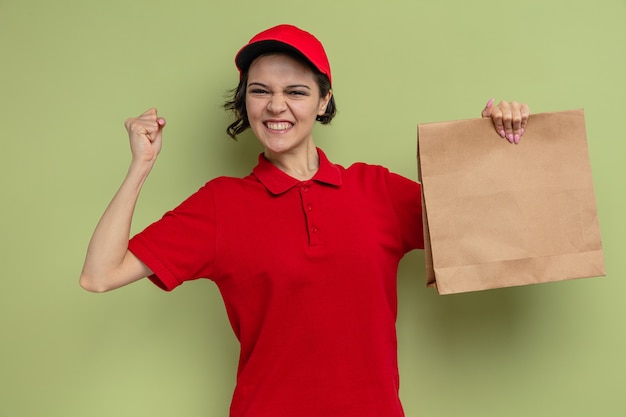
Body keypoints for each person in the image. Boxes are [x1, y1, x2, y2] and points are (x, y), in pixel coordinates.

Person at [80, 24, 530, 417]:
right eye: (260, 91)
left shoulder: (378, 191)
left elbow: (490, 230)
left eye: (296, 91)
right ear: (245, 102)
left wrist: (493, 143)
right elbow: (100, 274)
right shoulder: (220, 205)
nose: (276, 106)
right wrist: (141, 163)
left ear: (322, 100)